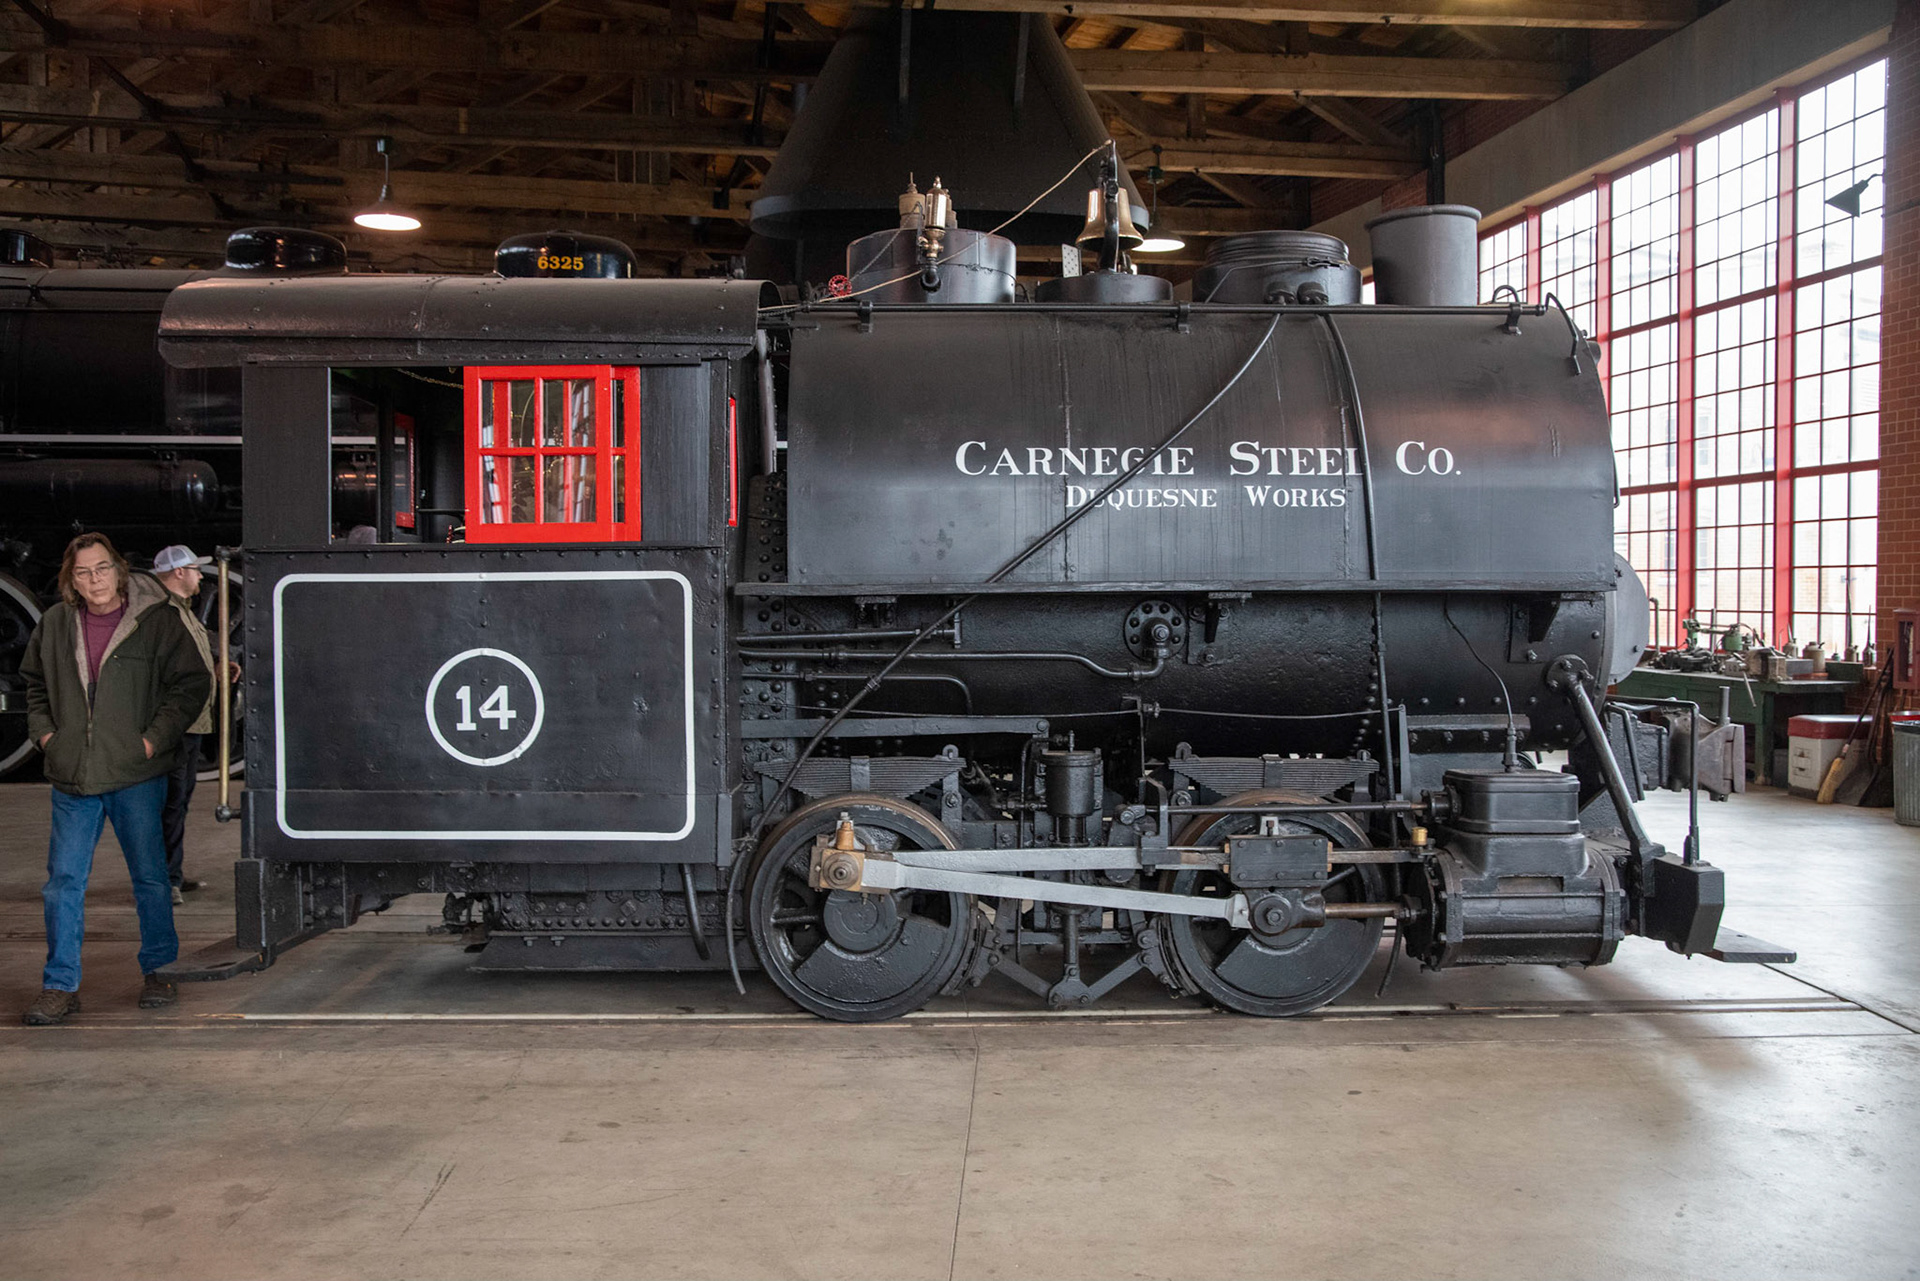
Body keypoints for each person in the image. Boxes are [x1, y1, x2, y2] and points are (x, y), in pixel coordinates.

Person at [18, 533, 212, 1026]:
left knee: (150, 879)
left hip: (135, 774)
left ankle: (160, 970)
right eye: (83, 573)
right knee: (62, 884)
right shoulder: (56, 624)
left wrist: (151, 741)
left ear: (119, 570)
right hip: (73, 776)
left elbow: (191, 683)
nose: (94, 580)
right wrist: (46, 738)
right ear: (71, 579)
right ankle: (59, 985)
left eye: (102, 569)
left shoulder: (156, 622)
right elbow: (34, 685)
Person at [152, 544, 224, 906]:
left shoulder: (184, 612)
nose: (200, 576)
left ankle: (173, 873)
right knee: (169, 802)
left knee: (178, 802)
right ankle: (164, 880)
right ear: (178, 572)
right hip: (177, 725)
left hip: (192, 723)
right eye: (196, 569)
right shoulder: (161, 614)